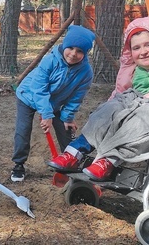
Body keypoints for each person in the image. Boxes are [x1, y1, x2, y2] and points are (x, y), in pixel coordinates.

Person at [47, 16, 149, 181]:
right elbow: (119, 92)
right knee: (105, 112)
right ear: (130, 51)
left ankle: (107, 161)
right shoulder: (130, 67)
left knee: (137, 123)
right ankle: (73, 153)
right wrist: (108, 112)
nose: (143, 51)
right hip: (135, 100)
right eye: (136, 48)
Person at [11, 25, 96, 182]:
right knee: (23, 130)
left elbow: (76, 97)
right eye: (70, 48)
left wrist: (68, 117)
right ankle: (18, 164)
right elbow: (39, 88)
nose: (73, 54)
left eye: (80, 51)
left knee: (65, 130)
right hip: (28, 96)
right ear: (64, 45)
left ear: (85, 54)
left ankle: (71, 162)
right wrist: (46, 114)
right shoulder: (49, 60)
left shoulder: (86, 72)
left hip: (55, 102)